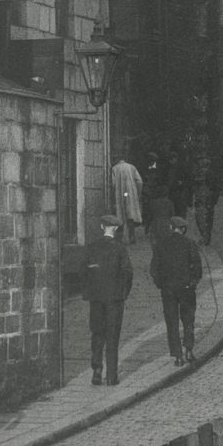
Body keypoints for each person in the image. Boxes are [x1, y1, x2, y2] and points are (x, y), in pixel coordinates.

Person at [83, 215, 134, 385]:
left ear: (101, 227)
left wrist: (89, 292)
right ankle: (112, 376)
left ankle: (97, 370)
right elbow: (128, 273)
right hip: (114, 299)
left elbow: (84, 272)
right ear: (116, 229)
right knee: (113, 335)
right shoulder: (120, 249)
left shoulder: (92, 247)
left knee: (97, 333)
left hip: (96, 298)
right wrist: (123, 293)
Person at [151, 210, 204, 365]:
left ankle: (177, 355)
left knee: (171, 321)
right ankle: (188, 349)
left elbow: (154, 269)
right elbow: (198, 268)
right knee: (188, 319)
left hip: (168, 289)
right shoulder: (190, 244)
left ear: (170, 227)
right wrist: (193, 283)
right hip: (186, 288)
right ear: (183, 229)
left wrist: (161, 284)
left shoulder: (161, 245)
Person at [110, 150, 145, 244]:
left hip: (120, 194)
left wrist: (113, 195)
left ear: (117, 159)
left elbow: (113, 184)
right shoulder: (131, 167)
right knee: (130, 215)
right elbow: (140, 181)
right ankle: (132, 237)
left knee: (120, 215)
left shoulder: (114, 168)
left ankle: (120, 238)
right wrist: (137, 193)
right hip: (130, 194)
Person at [196, 142, 223, 246]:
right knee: (204, 218)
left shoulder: (210, 173)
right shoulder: (204, 171)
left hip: (206, 198)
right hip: (203, 198)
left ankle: (205, 237)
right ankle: (205, 237)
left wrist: (213, 197)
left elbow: (215, 187)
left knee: (204, 218)